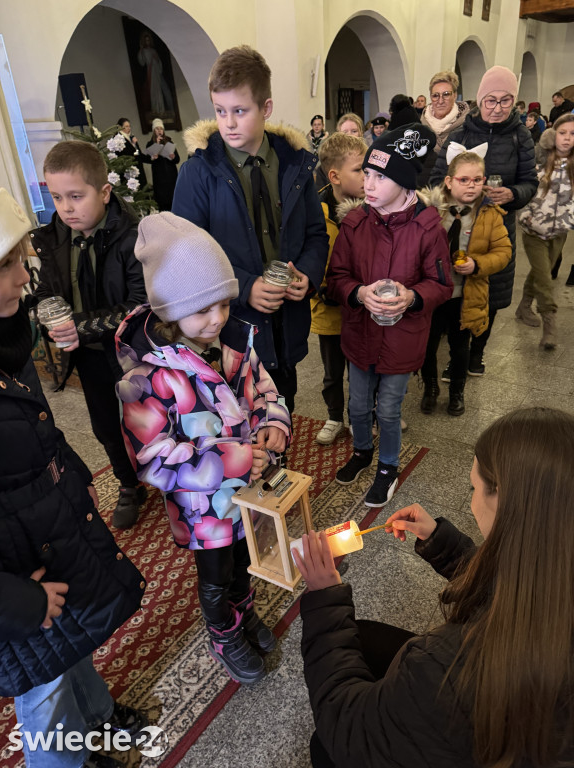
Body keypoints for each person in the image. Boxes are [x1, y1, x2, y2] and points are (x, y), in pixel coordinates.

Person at [295, 406, 574, 768]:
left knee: (324, 747)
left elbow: (348, 730)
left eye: (474, 487)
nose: (472, 499)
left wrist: (323, 600)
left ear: (504, 501)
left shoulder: (444, 666)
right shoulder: (554, 568)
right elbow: (512, 584)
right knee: (361, 637)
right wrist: (442, 542)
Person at [0, 187, 147, 768]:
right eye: (7, 266)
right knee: (44, 688)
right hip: (15, 581)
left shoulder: (8, 339)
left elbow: (36, 428)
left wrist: (75, 475)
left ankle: (98, 727)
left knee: (72, 647)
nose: (24, 277)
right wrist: (17, 601)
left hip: (40, 527)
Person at [115, 212, 291, 684]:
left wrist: (273, 424)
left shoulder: (233, 341)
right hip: (203, 507)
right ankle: (222, 630)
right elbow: (153, 459)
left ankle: (244, 609)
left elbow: (264, 390)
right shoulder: (145, 378)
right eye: (201, 310)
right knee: (215, 572)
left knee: (242, 561)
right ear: (170, 309)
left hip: (247, 491)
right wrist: (233, 458)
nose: (216, 319)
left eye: (223, 304)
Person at [172, 45, 328, 414]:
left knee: (281, 411)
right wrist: (245, 287)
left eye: (240, 111)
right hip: (231, 328)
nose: (228, 123)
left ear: (266, 109)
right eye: (220, 111)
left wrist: (307, 273)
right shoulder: (198, 173)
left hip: (286, 320)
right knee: (238, 422)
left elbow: (316, 234)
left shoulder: (295, 165)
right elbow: (188, 255)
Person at [327, 124, 452, 508]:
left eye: (380, 176)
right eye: (366, 174)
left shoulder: (427, 227)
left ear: (404, 181)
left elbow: (441, 284)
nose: (368, 184)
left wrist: (413, 297)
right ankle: (363, 451)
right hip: (361, 332)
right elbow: (336, 279)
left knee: (388, 408)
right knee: (359, 405)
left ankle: (387, 467)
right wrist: (358, 292)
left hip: (402, 338)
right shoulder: (354, 223)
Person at [33, 140, 148, 529]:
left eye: (76, 196)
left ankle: (171, 477)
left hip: (134, 352)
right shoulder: (53, 236)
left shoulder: (133, 236)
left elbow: (138, 305)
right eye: (57, 197)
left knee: (149, 420)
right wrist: (47, 316)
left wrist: (77, 326)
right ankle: (129, 483)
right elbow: (43, 292)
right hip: (90, 355)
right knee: (105, 426)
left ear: (104, 191)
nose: (66, 207)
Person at [431, 65, 538, 377]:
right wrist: (458, 191)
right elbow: (438, 179)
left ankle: (476, 355)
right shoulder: (460, 134)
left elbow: (530, 182)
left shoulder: (521, 137)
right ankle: (456, 355)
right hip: (459, 226)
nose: (498, 108)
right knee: (458, 292)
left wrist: (513, 193)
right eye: (491, 100)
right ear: (479, 100)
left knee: (490, 295)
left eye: (506, 101)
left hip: (498, 227)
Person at [419, 148, 511, 416]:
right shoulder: (432, 209)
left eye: (477, 180)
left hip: (465, 294)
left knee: (460, 347)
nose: (471, 185)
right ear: (449, 181)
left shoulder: (490, 214)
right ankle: (430, 387)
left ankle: (457, 391)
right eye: (464, 180)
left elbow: (503, 252)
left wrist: (477, 265)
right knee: (427, 343)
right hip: (433, 293)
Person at [310, 133, 366, 445]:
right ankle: (334, 416)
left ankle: (363, 416)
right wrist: (319, 287)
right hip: (328, 309)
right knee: (332, 372)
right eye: (359, 169)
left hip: (362, 308)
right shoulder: (315, 210)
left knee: (362, 370)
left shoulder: (372, 207)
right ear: (334, 176)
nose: (366, 176)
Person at [515, 114, 574, 349]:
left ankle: (523, 307)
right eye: (563, 133)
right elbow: (525, 184)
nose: (567, 138)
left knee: (542, 271)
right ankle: (550, 326)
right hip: (533, 229)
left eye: (572, 134)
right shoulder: (540, 158)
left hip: (560, 231)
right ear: (553, 134)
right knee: (545, 277)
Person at [418, 70, 469, 187]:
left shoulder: (467, 127)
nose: (440, 101)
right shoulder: (418, 128)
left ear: (455, 95)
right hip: (424, 193)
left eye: (446, 94)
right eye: (435, 96)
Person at [143, 118, 179, 211]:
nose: (159, 131)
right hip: (160, 179)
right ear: (154, 131)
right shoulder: (150, 144)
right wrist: (157, 145)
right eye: (157, 129)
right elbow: (148, 159)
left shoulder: (169, 141)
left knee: (174, 202)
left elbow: (177, 159)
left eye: (161, 129)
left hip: (171, 177)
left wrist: (173, 156)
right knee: (163, 204)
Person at [137, 29, 174, 116]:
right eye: (145, 40)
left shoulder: (153, 51)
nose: (147, 41)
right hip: (150, 73)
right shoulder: (143, 51)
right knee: (153, 91)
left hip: (156, 72)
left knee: (159, 91)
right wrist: (141, 51)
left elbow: (159, 62)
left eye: (148, 40)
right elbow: (142, 62)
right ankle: (155, 109)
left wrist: (156, 59)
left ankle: (161, 109)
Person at [115, 117, 148, 188]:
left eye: (129, 126)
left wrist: (151, 158)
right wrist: (133, 145)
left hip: (138, 169)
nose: (129, 128)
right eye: (126, 126)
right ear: (120, 127)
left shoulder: (131, 138)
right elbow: (126, 156)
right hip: (129, 173)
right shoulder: (118, 139)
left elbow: (137, 154)